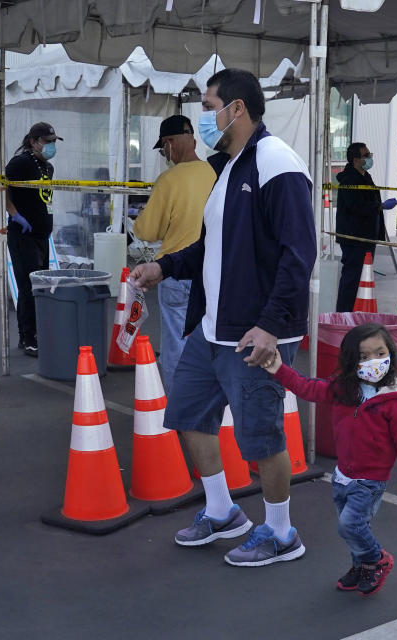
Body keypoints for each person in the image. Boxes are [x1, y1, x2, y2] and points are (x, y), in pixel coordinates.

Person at [129, 68, 316, 567]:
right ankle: (222, 511)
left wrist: (272, 326)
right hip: (212, 328)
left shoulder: (278, 163)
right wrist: (162, 267)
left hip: (255, 332)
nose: (204, 118)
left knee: (262, 437)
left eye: (209, 106)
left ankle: (281, 533)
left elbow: (300, 255)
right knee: (188, 415)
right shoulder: (227, 168)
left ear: (237, 108)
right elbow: (210, 247)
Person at [263, 323, 397, 596]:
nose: (374, 362)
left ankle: (376, 559)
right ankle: (361, 567)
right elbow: (308, 388)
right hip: (343, 475)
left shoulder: (395, 399)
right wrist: (278, 369)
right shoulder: (344, 388)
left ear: (391, 353)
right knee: (353, 529)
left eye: (380, 353)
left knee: (350, 525)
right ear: (350, 361)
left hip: (370, 480)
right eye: (364, 356)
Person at [132, 115, 216, 396]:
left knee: (176, 345)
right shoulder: (215, 173)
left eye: (163, 148)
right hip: (213, 272)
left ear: (169, 144)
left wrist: (138, 220)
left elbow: (148, 230)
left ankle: (180, 408)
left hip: (176, 272)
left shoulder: (168, 180)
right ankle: (210, 404)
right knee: (213, 341)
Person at [4, 122, 61, 358]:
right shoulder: (21, 162)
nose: (51, 146)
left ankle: (37, 332)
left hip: (41, 234)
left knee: (41, 286)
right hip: (23, 234)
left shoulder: (47, 167)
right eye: (47, 142)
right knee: (27, 286)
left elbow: (44, 199)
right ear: (33, 141)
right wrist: (14, 214)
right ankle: (27, 336)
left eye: (53, 142)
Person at [335, 142, 397, 312]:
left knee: (363, 275)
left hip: (367, 235)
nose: (370, 158)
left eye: (370, 154)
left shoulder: (365, 176)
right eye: (366, 155)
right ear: (356, 159)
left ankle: (357, 311)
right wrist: (379, 206)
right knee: (352, 277)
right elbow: (355, 205)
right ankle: (344, 313)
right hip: (355, 236)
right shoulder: (349, 179)